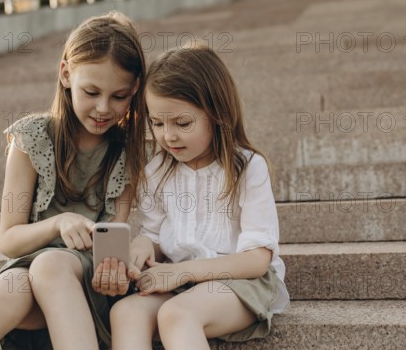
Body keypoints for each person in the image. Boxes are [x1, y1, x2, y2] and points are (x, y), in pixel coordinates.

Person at [0, 11, 147, 350]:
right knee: (15, 283)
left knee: (49, 264)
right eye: (91, 91)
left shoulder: (129, 152)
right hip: (29, 277)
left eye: (119, 96)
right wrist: (58, 223)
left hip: (92, 287)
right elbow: (9, 240)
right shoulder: (31, 138)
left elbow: (114, 244)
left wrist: (116, 268)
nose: (103, 107)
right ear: (65, 74)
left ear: (134, 89)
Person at [107, 46, 289, 350]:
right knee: (126, 311)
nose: (168, 136)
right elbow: (153, 234)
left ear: (216, 114)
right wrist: (142, 244)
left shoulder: (245, 168)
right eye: (158, 123)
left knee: (177, 315)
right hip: (183, 284)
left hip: (241, 283)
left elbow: (257, 261)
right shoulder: (157, 171)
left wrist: (180, 272)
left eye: (182, 123)